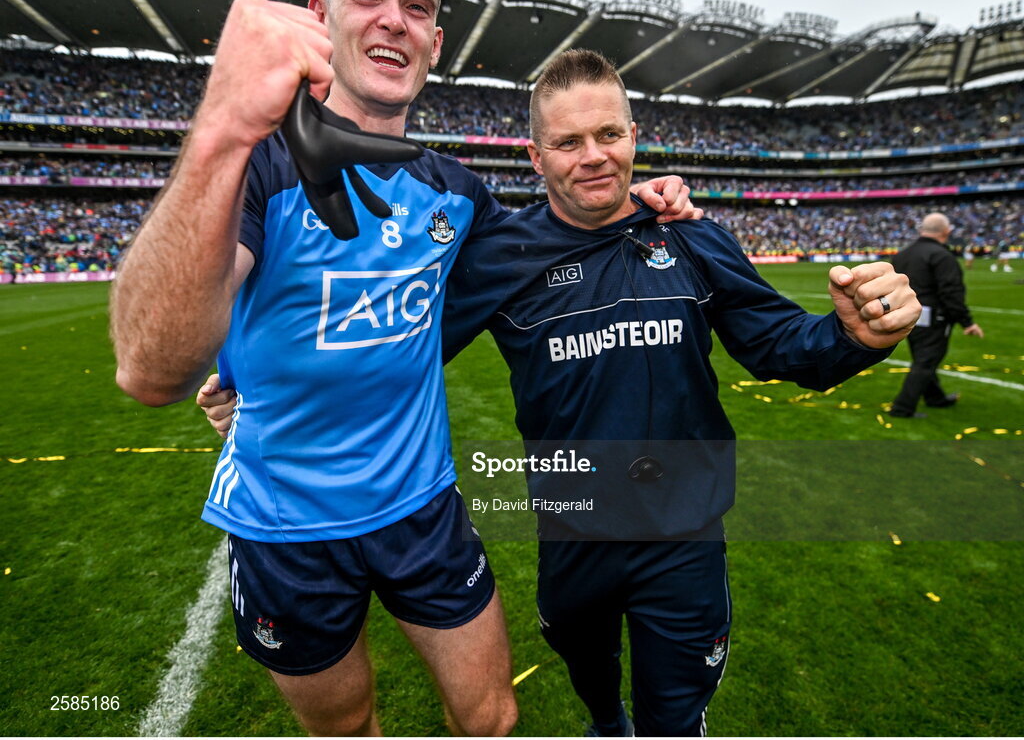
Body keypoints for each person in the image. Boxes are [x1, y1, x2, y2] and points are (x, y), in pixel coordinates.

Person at [201, 50, 920, 736]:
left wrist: (855, 335)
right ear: (536, 157)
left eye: (609, 133)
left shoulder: (694, 239)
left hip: (685, 537)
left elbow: (782, 346)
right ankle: (606, 721)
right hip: (573, 528)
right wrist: (254, 388)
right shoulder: (497, 256)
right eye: (569, 141)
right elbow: (388, 343)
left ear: (635, 137)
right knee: (588, 664)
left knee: (676, 718)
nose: (595, 155)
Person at [110, 0, 695, 737]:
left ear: (435, 39)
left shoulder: (456, 194)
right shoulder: (260, 166)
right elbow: (147, 366)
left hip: (422, 509)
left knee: (491, 718)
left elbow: (561, 230)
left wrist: (647, 199)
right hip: (283, 526)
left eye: (417, 6)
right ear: (321, 16)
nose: (394, 19)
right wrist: (224, 129)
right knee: (347, 728)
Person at [889, 212, 984, 418]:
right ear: (946, 232)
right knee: (926, 361)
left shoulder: (902, 254)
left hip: (906, 315)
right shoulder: (941, 255)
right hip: (933, 317)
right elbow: (951, 292)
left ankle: (935, 398)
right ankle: (902, 408)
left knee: (923, 357)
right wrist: (966, 322)